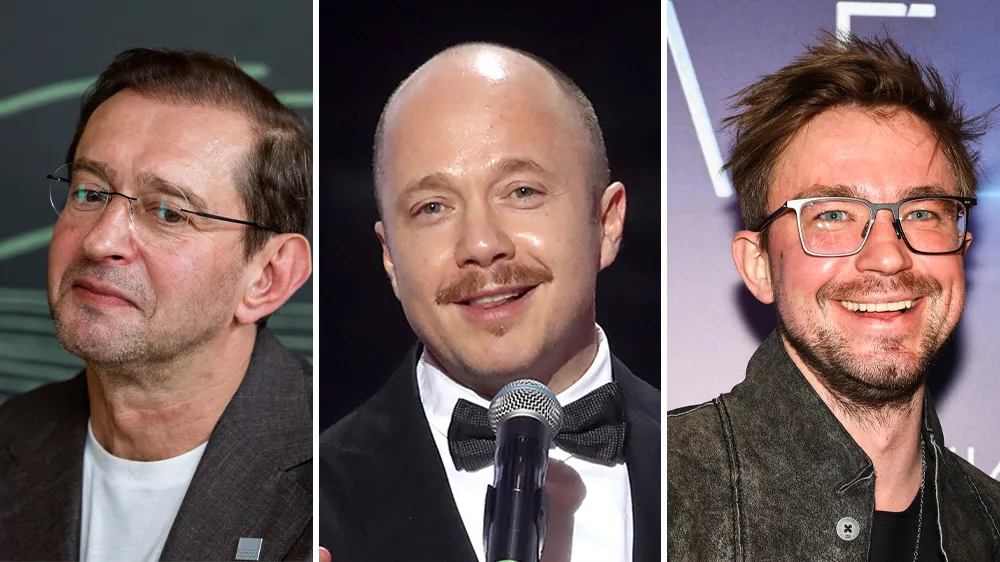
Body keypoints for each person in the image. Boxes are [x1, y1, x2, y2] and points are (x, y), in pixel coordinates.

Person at [318, 43, 660, 562]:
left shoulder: (706, 459)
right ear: (390, 256)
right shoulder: (310, 504)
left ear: (607, 222)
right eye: (433, 207)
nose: (480, 244)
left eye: (522, 192)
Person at [668, 31, 1000, 560]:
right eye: (833, 215)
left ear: (962, 247)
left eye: (922, 212)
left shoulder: (992, 524)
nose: (887, 257)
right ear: (759, 265)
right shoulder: (662, 492)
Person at [0, 48, 313, 561]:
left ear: (268, 277)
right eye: (90, 193)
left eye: (168, 212)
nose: (101, 241)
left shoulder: (335, 468)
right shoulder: (12, 437)